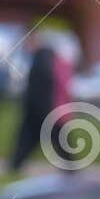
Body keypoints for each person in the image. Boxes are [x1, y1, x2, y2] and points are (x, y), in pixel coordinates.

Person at [9, 35, 66, 171]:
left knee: (53, 136)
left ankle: (15, 164)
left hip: (41, 107)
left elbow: (43, 85)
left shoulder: (42, 58)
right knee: (31, 137)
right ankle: (15, 164)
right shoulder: (43, 58)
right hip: (40, 107)